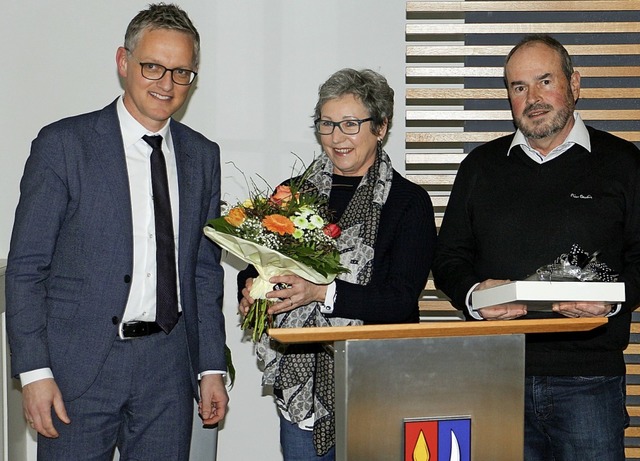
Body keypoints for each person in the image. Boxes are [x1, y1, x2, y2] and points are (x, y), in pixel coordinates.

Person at [5, 4, 228, 460]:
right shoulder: (63, 145)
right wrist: (33, 372)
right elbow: (27, 269)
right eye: (153, 66)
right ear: (123, 63)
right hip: (77, 372)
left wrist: (210, 367)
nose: (166, 84)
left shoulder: (202, 156)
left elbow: (204, 274)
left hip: (168, 372)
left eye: (181, 72)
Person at [433, 34, 640, 461]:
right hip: (495, 376)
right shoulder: (479, 167)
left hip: (590, 382)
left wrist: (612, 302)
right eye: (519, 87)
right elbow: (449, 258)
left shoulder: (624, 162)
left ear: (575, 84)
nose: (533, 98)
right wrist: (475, 298)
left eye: (545, 81)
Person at [237, 68, 437, 460]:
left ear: (380, 126)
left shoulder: (408, 202)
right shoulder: (294, 192)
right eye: (327, 124)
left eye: (350, 124)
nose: (336, 137)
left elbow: (399, 300)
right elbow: (258, 259)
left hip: (378, 386)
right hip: (301, 389)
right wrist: (250, 289)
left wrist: (321, 293)